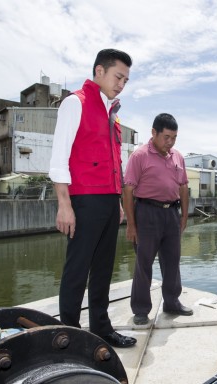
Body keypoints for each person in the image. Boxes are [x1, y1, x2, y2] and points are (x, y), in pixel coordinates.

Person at [48, 49, 137, 348]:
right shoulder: (76, 103)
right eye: (118, 76)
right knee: (77, 269)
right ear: (99, 71)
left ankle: (101, 327)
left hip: (109, 201)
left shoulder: (112, 115)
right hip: (84, 199)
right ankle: (69, 336)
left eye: (126, 79)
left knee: (103, 269)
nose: (122, 83)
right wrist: (64, 204)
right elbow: (59, 159)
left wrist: (119, 205)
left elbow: (115, 163)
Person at [122, 113, 192, 325]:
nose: (170, 142)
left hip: (171, 212)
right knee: (144, 263)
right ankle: (141, 309)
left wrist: (184, 216)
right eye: (166, 137)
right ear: (154, 133)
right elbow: (128, 190)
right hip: (146, 213)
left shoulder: (177, 156)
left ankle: (172, 302)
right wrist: (131, 225)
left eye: (174, 138)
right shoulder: (139, 156)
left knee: (172, 261)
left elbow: (183, 187)